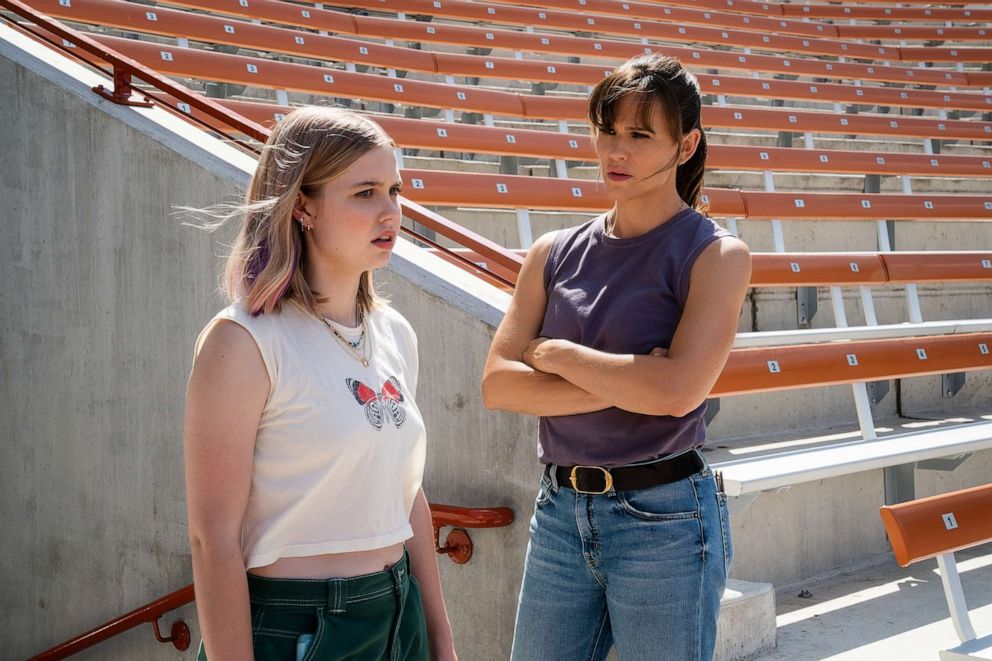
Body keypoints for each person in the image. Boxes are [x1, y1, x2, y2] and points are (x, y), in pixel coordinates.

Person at [482, 54, 751, 661]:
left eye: (638, 135)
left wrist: (552, 352)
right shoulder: (552, 252)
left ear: (686, 146)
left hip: (666, 518)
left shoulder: (716, 255)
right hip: (558, 513)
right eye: (607, 131)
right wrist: (635, 378)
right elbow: (498, 385)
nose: (616, 151)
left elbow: (678, 394)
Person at [184, 107, 456, 661]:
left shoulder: (394, 333)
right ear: (303, 205)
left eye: (395, 190)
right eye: (365, 193)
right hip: (299, 628)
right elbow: (213, 539)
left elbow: (407, 498)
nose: (392, 212)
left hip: (399, 615)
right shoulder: (242, 341)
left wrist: (440, 642)